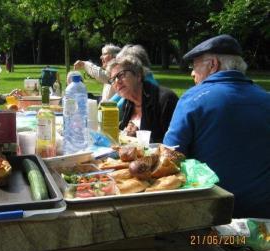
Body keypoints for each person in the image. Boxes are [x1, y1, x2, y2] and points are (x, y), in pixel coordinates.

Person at [163, 34, 270, 218]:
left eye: (194, 65)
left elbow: (169, 157)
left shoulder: (192, 99)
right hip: (262, 217)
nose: (191, 73)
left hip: (211, 216)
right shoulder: (266, 99)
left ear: (213, 65)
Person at [107, 55, 179, 143]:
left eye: (121, 75)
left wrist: (138, 137)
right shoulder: (128, 103)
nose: (117, 81)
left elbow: (173, 142)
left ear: (138, 75)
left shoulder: (165, 100)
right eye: (113, 79)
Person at [110, 44, 158, 119]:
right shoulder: (127, 82)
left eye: (122, 65)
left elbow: (111, 115)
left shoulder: (143, 85)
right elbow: (107, 106)